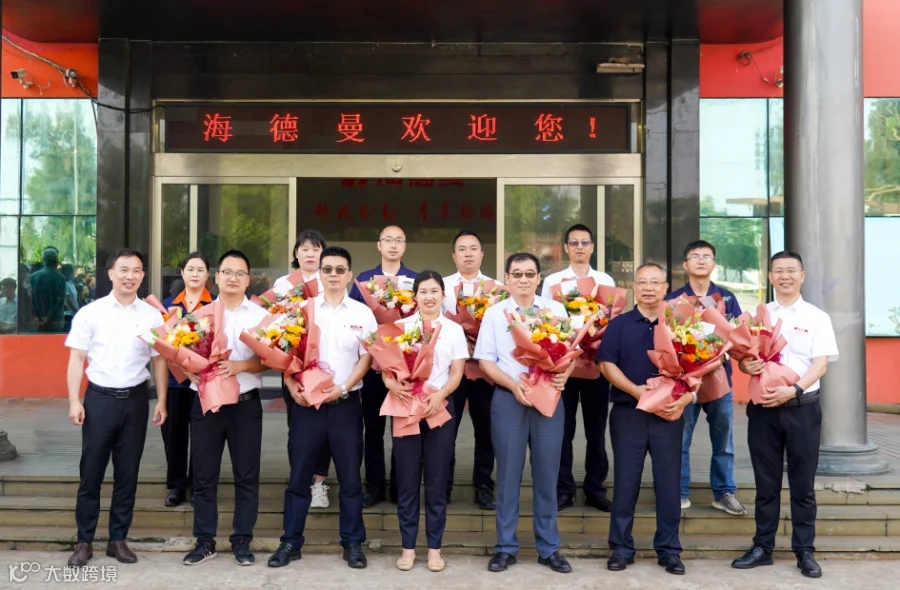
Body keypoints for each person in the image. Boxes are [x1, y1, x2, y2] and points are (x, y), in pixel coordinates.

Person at [732, 251, 839, 579]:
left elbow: (820, 364)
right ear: (770, 277)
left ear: (802, 275)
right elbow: (744, 359)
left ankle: (805, 551)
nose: (785, 276)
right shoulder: (758, 316)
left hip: (801, 409)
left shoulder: (817, 317)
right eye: (778, 271)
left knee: (802, 485)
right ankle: (762, 547)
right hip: (763, 410)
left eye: (791, 270)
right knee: (766, 484)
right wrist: (745, 364)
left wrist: (793, 390)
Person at [269, 246, 377, 570]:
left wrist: (342, 388)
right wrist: (291, 386)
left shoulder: (362, 313)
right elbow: (285, 354)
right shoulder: (302, 310)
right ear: (320, 274)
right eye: (327, 269)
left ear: (349, 275)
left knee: (350, 480)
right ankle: (290, 542)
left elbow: (367, 358)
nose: (333, 275)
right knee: (299, 477)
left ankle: (353, 543)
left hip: (346, 405)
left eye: (339, 270)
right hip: (307, 407)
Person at [64, 248, 169, 567]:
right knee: (91, 473)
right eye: (124, 269)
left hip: (136, 401)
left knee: (128, 473)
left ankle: (118, 540)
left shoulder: (152, 316)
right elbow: (76, 359)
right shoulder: (91, 313)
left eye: (136, 270)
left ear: (143, 276)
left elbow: (159, 360)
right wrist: (74, 400)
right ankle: (84, 541)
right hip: (99, 401)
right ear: (111, 273)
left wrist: (162, 399)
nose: (130, 276)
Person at [474, 253, 574, 574]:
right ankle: (505, 547)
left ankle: (548, 548)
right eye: (516, 274)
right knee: (507, 476)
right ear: (507, 279)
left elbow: (569, 353)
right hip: (509, 399)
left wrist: (564, 374)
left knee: (547, 475)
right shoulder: (494, 313)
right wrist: (513, 384)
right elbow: (485, 361)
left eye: (530, 274)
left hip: (548, 399)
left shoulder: (555, 310)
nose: (523, 279)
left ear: (538, 278)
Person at [597, 262, 691, 576]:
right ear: (634, 287)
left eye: (655, 282)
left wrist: (686, 397)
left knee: (669, 483)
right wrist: (638, 392)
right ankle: (621, 548)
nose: (648, 288)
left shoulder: (680, 324)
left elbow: (699, 364)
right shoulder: (619, 325)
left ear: (665, 288)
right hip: (629, 413)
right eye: (642, 282)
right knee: (626, 481)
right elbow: (606, 365)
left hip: (669, 414)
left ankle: (669, 550)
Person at [182, 250, 268, 567]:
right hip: (207, 404)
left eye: (240, 273)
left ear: (248, 279)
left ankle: (242, 540)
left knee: (247, 476)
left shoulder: (260, 316)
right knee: (204, 476)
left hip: (245, 406)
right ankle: (204, 541)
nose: (233, 278)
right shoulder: (199, 316)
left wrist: (240, 365)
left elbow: (271, 359)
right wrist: (187, 367)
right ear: (216, 277)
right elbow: (180, 355)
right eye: (227, 272)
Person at [388, 270, 468, 572]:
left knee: (436, 481)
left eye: (435, 291)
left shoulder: (453, 330)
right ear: (415, 296)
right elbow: (387, 370)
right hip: (405, 407)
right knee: (407, 480)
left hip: (439, 408)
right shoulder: (400, 328)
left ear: (443, 295)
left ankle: (435, 548)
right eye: (423, 291)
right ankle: (408, 548)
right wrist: (391, 384)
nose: (429, 297)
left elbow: (457, 373)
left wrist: (440, 396)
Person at [667, 240, 747, 516]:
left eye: (706, 256)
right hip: (685, 381)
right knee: (680, 438)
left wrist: (719, 356)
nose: (701, 260)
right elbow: (665, 339)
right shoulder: (674, 300)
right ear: (685, 264)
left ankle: (723, 492)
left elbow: (739, 337)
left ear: (714, 264)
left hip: (719, 379)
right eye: (695, 256)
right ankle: (679, 492)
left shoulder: (726, 298)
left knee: (723, 440)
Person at [540, 224, 616, 512]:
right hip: (563, 368)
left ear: (592, 247)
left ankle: (595, 489)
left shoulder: (604, 280)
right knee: (563, 430)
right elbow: (546, 322)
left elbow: (610, 320)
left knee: (596, 431)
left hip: (596, 365)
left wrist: (594, 343)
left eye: (585, 242)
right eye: (574, 243)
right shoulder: (553, 281)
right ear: (566, 248)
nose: (580, 247)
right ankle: (564, 489)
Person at [349, 225, 417, 507]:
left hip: (405, 367)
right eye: (388, 239)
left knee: (402, 428)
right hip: (371, 365)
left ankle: (400, 487)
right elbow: (353, 321)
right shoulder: (363, 281)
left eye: (399, 240)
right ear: (378, 245)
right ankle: (374, 486)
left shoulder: (415, 280)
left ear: (405, 246)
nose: (393, 244)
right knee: (373, 429)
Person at [274, 229, 333, 509]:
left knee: (324, 426)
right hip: (292, 364)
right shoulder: (282, 285)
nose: (310, 254)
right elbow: (272, 325)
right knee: (296, 425)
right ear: (296, 254)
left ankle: (320, 482)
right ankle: (299, 478)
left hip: (324, 363)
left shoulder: (330, 281)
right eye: (305, 249)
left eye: (316, 248)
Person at [441, 231, 496, 510]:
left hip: (485, 372)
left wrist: (480, 343)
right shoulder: (441, 287)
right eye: (462, 249)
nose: (468, 254)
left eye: (473, 248)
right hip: (451, 372)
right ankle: (443, 486)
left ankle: (483, 486)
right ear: (454, 256)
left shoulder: (497, 289)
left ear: (482, 254)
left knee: (486, 432)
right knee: (446, 431)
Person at [160, 252, 213, 508]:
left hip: (205, 381)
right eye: (190, 269)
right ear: (182, 273)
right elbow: (162, 344)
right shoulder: (168, 305)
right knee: (174, 434)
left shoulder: (215, 305)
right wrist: (183, 368)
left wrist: (199, 368)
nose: (194, 274)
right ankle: (177, 485)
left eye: (200, 269)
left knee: (204, 436)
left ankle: (198, 484)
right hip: (175, 381)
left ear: (207, 275)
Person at [30, 247, 67, 333]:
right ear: (56, 261)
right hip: (56, 322)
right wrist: (49, 317)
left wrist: (36, 316)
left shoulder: (33, 277)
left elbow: (29, 299)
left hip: (37, 321)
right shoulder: (60, 278)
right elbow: (60, 300)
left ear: (43, 260)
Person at [62, 263, 79, 333]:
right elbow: (68, 300)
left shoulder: (71, 284)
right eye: (72, 271)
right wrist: (76, 310)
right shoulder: (65, 284)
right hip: (68, 314)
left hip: (73, 313)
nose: (74, 273)